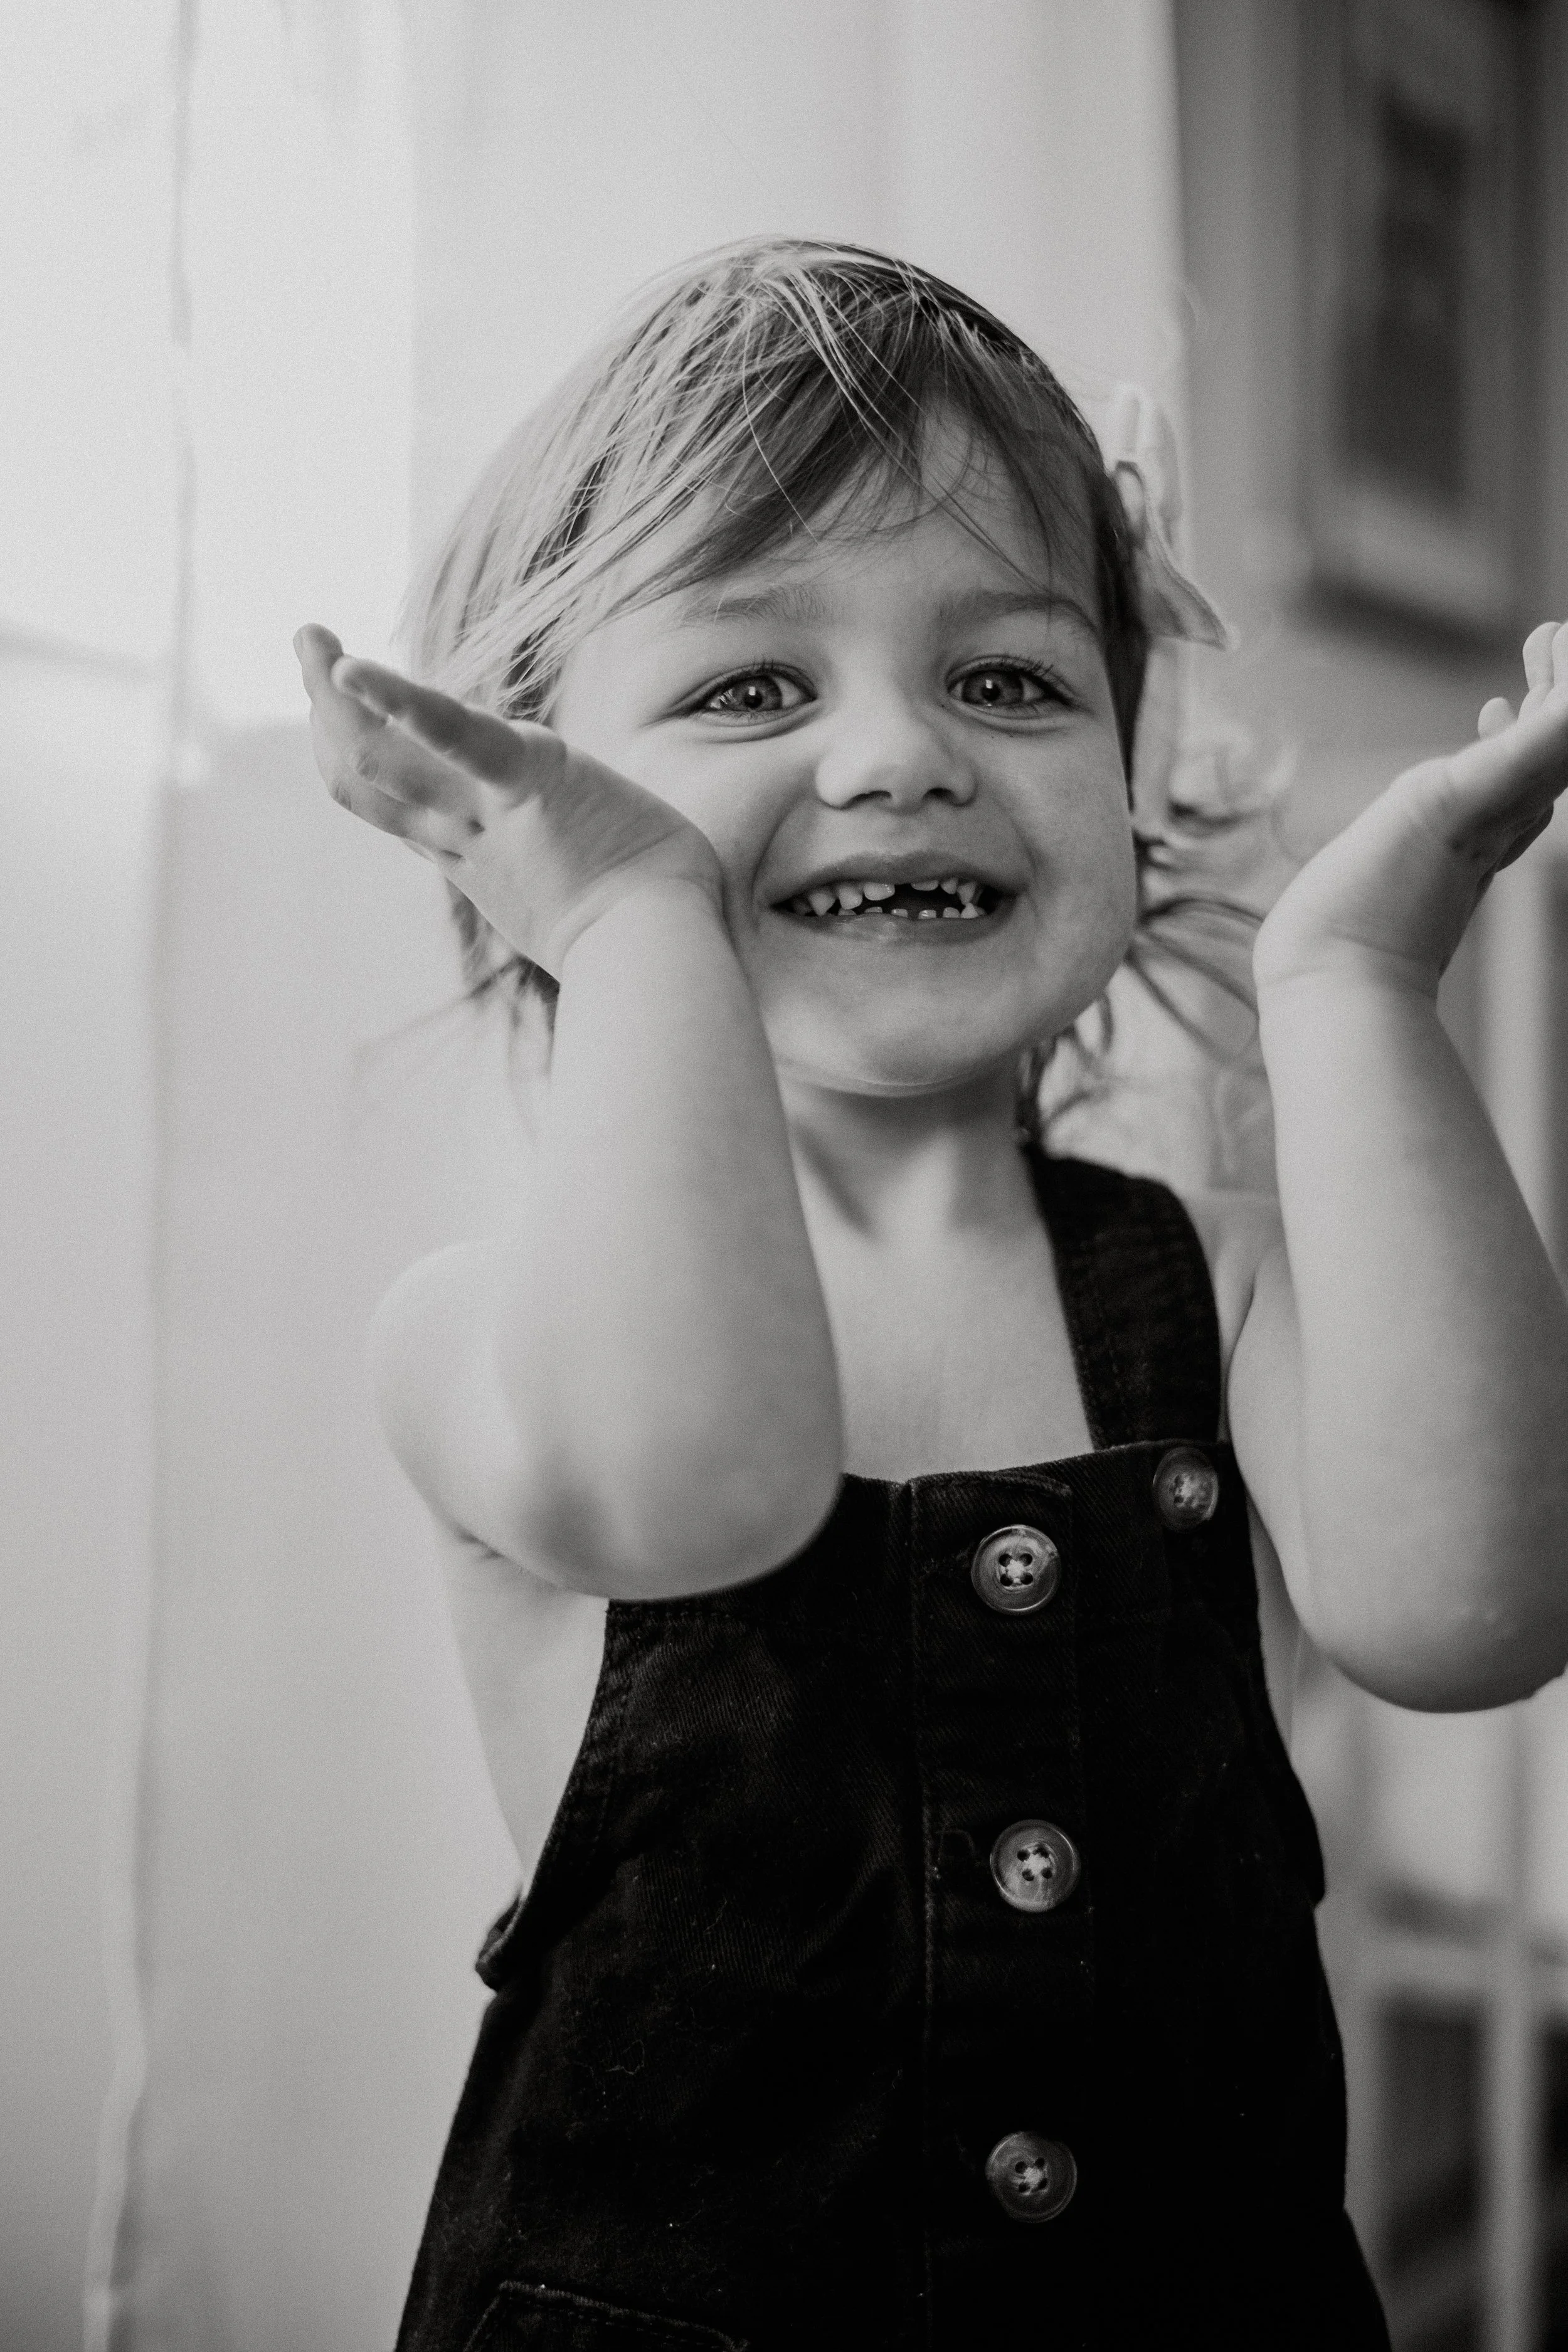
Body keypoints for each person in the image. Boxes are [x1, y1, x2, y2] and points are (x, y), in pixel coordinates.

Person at [295, 239, 1568, 2351]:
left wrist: (1350, 984)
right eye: (748, 686)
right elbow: (703, 1481)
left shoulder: (1200, 1278)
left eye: (1009, 679)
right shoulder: (485, 1328)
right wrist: (629, 928)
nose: (898, 753)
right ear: (520, 816)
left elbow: (1480, 1607)